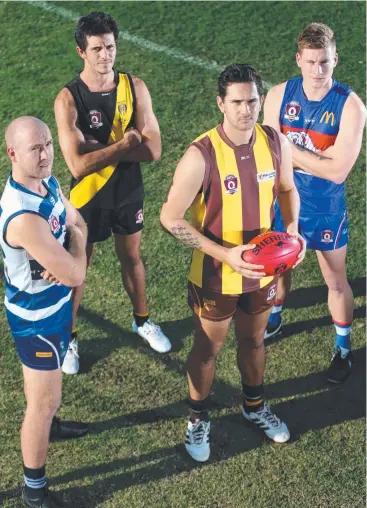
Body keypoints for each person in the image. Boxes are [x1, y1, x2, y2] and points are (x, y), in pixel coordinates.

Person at [160, 64, 306, 462]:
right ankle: (196, 419)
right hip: (214, 275)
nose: (246, 109)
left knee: (255, 339)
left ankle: (254, 406)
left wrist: (292, 231)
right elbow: (169, 218)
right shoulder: (200, 156)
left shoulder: (276, 143)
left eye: (253, 100)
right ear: (220, 103)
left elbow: (288, 189)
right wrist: (227, 256)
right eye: (237, 102)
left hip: (262, 273)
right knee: (208, 348)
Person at [54, 12, 171, 374]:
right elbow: (76, 167)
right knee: (78, 269)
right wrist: (127, 142)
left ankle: (142, 319)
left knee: (132, 258)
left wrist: (100, 149)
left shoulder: (134, 86)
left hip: (127, 191)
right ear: (80, 52)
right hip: (87, 196)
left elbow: (153, 151)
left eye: (110, 46)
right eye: (96, 49)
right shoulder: (68, 99)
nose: (105, 55)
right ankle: (69, 338)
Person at [263, 23, 367, 383]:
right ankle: (275, 314)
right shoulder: (278, 95)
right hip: (282, 201)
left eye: (324, 62)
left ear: (335, 59)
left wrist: (288, 150)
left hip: (325, 207)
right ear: (299, 60)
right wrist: (311, 159)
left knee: (335, 279)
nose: (318, 71)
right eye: (311, 62)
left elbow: (337, 172)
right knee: (278, 267)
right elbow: (267, 148)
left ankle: (343, 347)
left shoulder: (351, 107)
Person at [1, 116, 88, 507]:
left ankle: (51, 427)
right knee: (41, 403)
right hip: (35, 318)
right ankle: (33, 492)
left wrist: (73, 247)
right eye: (35, 149)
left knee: (47, 392)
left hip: (52, 306)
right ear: (12, 154)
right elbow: (73, 271)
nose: (46, 154)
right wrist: (77, 248)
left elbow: (76, 221)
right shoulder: (23, 217)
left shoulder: (46, 181)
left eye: (49, 144)